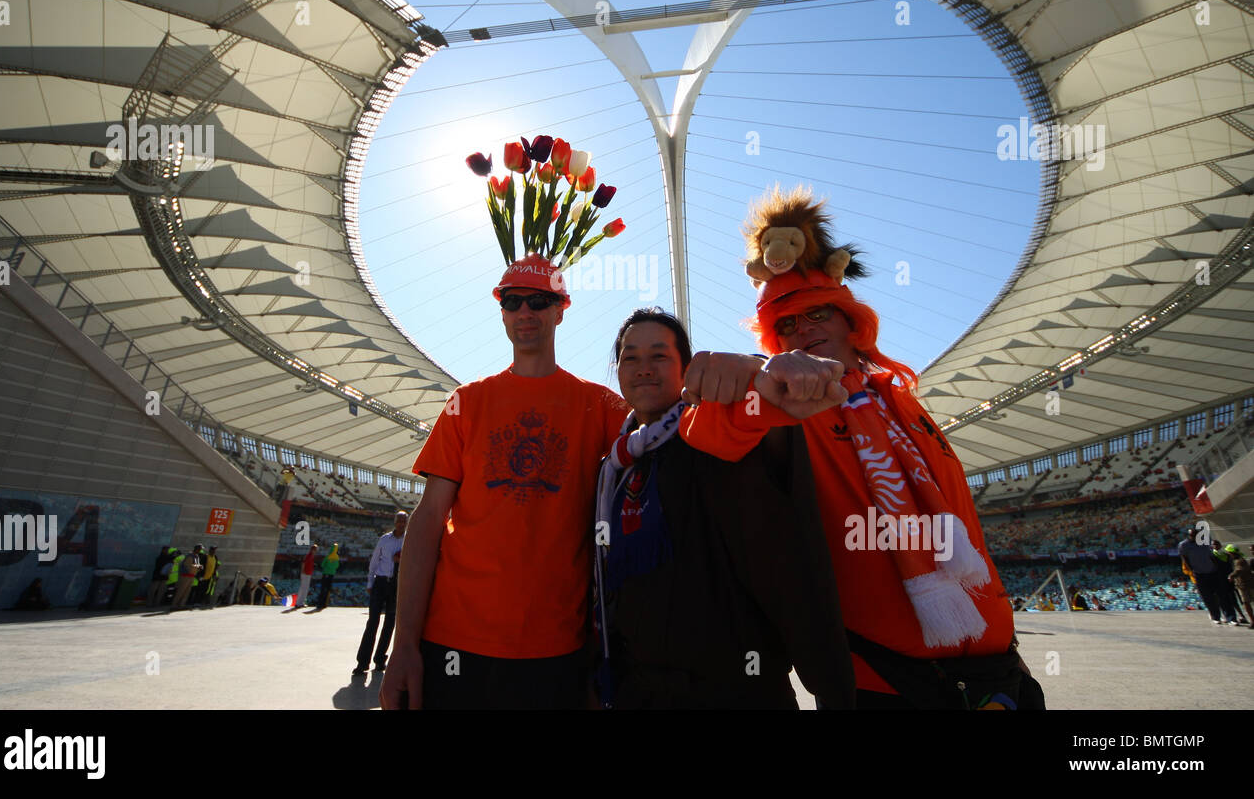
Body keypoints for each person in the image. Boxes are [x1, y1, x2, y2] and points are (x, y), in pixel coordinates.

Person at [681, 208, 1042, 709]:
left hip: (999, 672)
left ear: (850, 320)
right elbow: (709, 436)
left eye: (817, 314)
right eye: (785, 324)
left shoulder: (904, 405)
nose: (802, 329)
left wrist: (1013, 654)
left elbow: (964, 525)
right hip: (882, 683)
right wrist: (746, 376)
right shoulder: (790, 407)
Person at [379, 253, 630, 710]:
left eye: (538, 301)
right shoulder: (466, 403)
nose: (525, 313)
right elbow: (430, 519)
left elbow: (672, 431)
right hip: (453, 643)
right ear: (501, 311)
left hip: (556, 651)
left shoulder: (601, 406)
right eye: (513, 302)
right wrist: (404, 646)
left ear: (561, 308)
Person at [594, 308, 854, 708]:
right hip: (640, 688)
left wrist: (763, 370)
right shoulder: (614, 469)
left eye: (659, 356)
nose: (643, 368)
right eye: (631, 357)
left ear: (688, 369)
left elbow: (758, 415)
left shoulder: (711, 435)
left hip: (738, 689)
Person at [356, 513, 409, 674]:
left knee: (389, 624)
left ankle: (380, 660)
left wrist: (401, 559)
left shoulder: (409, 540)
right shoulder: (384, 539)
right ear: (395, 522)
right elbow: (374, 561)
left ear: (407, 523)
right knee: (372, 622)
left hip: (396, 584)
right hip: (380, 581)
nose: (401, 524)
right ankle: (362, 662)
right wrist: (370, 581)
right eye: (399, 521)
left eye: (404, 521)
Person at [1178, 528, 1239, 625]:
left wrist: (1217, 568)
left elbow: (1212, 555)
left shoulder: (1205, 543)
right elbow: (1185, 558)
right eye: (1193, 536)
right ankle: (1216, 616)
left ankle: (1231, 617)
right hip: (1199, 574)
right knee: (1208, 598)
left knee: (1223, 595)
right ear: (1189, 536)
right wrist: (1192, 570)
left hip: (1213, 572)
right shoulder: (1184, 545)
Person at [315, 544, 340, 610]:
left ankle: (320, 603)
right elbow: (337, 566)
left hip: (325, 573)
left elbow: (322, 565)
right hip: (331, 574)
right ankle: (325, 604)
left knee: (323, 588)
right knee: (328, 589)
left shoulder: (328, 556)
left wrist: (327, 566)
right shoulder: (337, 557)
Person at [297, 544, 318, 608]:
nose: (316, 551)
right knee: (304, 588)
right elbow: (303, 563)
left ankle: (300, 602)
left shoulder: (311, 556)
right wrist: (302, 571)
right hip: (305, 573)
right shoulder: (309, 556)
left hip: (308, 573)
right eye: (315, 549)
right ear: (312, 550)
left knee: (304, 588)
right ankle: (299, 603)